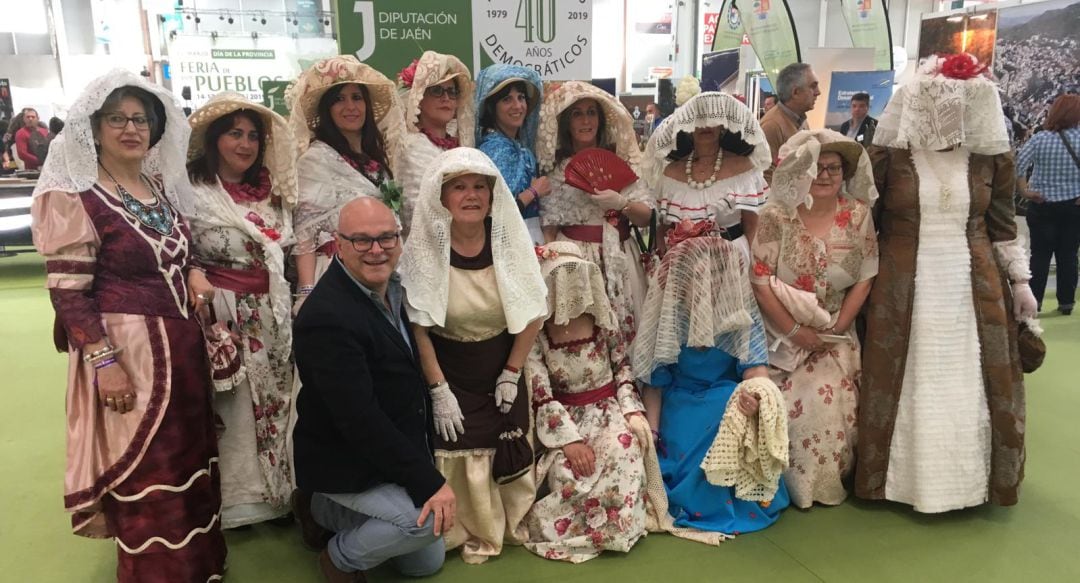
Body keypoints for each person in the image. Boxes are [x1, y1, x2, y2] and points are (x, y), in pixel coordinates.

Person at [30, 69, 225, 582]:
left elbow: (182, 254)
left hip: (181, 348)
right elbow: (69, 292)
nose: (130, 128)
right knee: (148, 462)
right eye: (116, 118)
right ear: (94, 128)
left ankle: (199, 566)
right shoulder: (77, 195)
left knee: (187, 453)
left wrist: (197, 272)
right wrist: (103, 362)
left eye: (140, 119)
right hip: (129, 354)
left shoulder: (158, 187)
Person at [857, 54, 1037, 513]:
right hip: (901, 284)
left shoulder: (989, 159)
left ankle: (969, 482)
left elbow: (1002, 223)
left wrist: (1019, 281)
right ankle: (894, 480)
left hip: (971, 283)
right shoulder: (890, 156)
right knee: (904, 372)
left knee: (970, 377)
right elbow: (863, 222)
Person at [293, 197, 453, 582]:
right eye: (362, 241)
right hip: (344, 459)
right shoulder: (326, 317)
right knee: (421, 524)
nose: (377, 250)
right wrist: (428, 481)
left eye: (386, 238)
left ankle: (324, 512)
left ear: (399, 239)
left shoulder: (393, 289)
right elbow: (358, 419)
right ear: (339, 245)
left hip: (384, 453)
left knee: (426, 562)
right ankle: (337, 553)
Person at [399, 147, 548, 564]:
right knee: (456, 445)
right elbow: (418, 326)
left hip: (502, 364)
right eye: (459, 187)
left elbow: (533, 311)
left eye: (479, 186)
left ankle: (507, 521)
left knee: (506, 442)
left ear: (492, 195)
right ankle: (460, 529)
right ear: (441, 198)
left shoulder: (509, 246)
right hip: (450, 369)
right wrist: (438, 389)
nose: (471, 195)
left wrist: (512, 373)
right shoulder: (427, 249)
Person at [633, 223, 790, 535]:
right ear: (680, 280)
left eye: (714, 274)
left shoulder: (739, 311)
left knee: (726, 408)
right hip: (680, 400)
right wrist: (651, 434)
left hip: (728, 397)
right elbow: (655, 381)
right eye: (696, 276)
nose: (706, 283)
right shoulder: (670, 315)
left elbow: (755, 369)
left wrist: (754, 395)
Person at [186, 92, 298, 528]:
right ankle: (237, 505)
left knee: (276, 402)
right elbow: (180, 253)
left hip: (272, 311)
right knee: (234, 411)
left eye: (253, 135)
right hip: (223, 314)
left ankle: (279, 497)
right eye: (235, 133)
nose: (245, 144)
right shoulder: (194, 190)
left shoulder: (272, 190)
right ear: (215, 139)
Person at [750, 130, 879, 509]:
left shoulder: (858, 215)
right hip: (781, 336)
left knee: (835, 408)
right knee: (789, 406)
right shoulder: (775, 216)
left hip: (838, 334)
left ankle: (824, 485)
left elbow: (867, 276)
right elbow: (760, 283)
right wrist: (796, 331)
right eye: (815, 167)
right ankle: (784, 487)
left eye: (833, 168)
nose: (824, 176)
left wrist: (836, 330)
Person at [524, 241, 648, 563]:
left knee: (623, 449)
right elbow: (541, 394)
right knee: (569, 472)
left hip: (609, 411)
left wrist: (631, 410)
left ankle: (616, 527)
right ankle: (587, 529)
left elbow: (622, 368)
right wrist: (570, 442)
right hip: (567, 421)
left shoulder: (603, 321)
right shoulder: (536, 335)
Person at [536, 81, 654, 343]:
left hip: (620, 254)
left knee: (627, 329)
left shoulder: (622, 163)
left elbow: (646, 216)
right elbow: (550, 228)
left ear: (600, 120)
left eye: (591, 112)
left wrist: (621, 203)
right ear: (567, 122)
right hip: (578, 259)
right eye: (577, 113)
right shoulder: (557, 172)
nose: (585, 120)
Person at [286, 55, 405, 309]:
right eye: (339, 99)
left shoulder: (376, 158)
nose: (350, 106)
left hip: (379, 266)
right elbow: (305, 231)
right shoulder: (315, 159)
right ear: (327, 109)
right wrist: (307, 292)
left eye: (356, 97)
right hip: (335, 273)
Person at [642, 91, 772, 257]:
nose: (705, 125)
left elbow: (752, 226)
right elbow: (663, 228)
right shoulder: (671, 172)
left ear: (722, 123)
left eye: (711, 118)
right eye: (698, 118)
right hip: (684, 263)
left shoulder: (743, 167)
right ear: (687, 125)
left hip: (732, 259)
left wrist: (750, 269)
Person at [396, 51, 475, 238]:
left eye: (451, 92)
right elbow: (416, 211)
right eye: (437, 91)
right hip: (426, 244)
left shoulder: (460, 146)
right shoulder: (411, 147)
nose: (446, 98)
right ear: (420, 98)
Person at [1017, 93, 1080, 316]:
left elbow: (1018, 165)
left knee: (1040, 256)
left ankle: (1035, 303)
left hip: (1041, 205)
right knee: (1069, 255)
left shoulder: (1040, 139)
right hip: (1074, 206)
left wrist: (1025, 190)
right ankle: (1066, 303)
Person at [475, 64, 549, 244]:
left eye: (521, 97)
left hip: (529, 235)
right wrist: (534, 191)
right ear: (492, 107)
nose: (518, 106)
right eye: (507, 99)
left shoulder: (520, 148)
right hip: (507, 240)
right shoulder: (494, 149)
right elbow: (496, 212)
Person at [760, 63, 820, 183]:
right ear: (795, 92)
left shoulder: (800, 119)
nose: (818, 92)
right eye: (813, 86)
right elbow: (765, 178)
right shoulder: (771, 126)